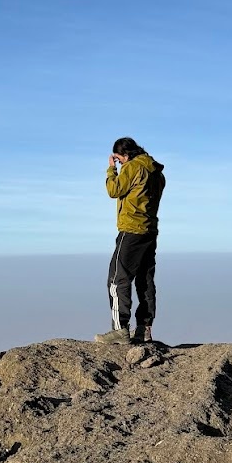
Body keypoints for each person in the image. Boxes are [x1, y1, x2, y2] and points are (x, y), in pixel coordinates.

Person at [95, 137, 166, 345]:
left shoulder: (132, 167)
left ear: (124, 155)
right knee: (145, 280)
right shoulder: (156, 172)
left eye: (119, 159)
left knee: (117, 279)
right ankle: (144, 328)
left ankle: (120, 330)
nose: (118, 162)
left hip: (131, 230)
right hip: (149, 231)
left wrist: (111, 170)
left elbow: (113, 190)